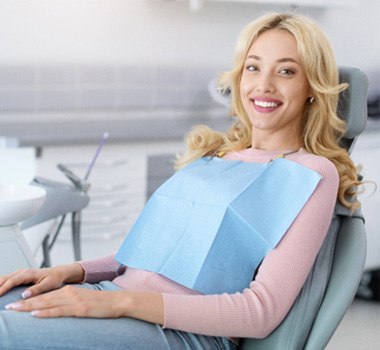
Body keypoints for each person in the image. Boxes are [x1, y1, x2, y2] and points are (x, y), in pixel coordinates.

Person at [0, 12, 361, 350]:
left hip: (181, 333)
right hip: (115, 297)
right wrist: (72, 272)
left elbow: (260, 311)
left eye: (286, 72)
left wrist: (117, 302)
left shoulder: (311, 172)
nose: (263, 85)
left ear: (313, 85)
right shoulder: (215, 156)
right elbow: (147, 255)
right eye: (253, 67)